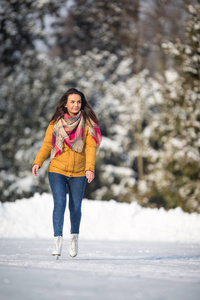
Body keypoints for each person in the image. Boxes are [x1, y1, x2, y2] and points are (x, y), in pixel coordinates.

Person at [32, 88, 102, 259]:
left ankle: (74, 238)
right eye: (72, 101)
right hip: (57, 169)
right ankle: (57, 239)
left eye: (78, 102)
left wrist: (89, 168)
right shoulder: (56, 122)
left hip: (79, 171)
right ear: (65, 103)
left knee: (76, 207)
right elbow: (48, 144)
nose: (76, 105)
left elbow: (91, 146)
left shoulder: (87, 122)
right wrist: (38, 161)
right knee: (60, 203)